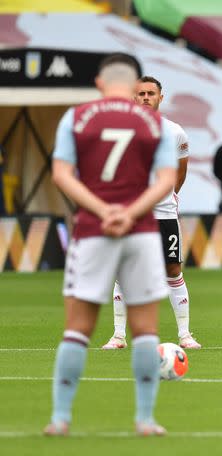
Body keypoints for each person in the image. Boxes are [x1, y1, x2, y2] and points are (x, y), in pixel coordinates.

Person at [44, 54, 177, 436]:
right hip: (140, 233)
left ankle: (61, 418)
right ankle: (146, 419)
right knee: (146, 329)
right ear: (135, 83)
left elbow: (61, 175)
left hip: (91, 230)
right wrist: (129, 213)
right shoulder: (156, 124)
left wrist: (105, 210)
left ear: (101, 82)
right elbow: (165, 180)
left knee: (78, 328)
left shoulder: (77, 117)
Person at [102, 76, 201, 350]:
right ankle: (118, 336)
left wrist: (166, 195)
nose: (146, 98)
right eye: (141, 94)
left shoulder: (175, 132)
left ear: (160, 97)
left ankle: (185, 334)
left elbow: (180, 172)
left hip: (165, 215)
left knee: (173, 270)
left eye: (151, 94)